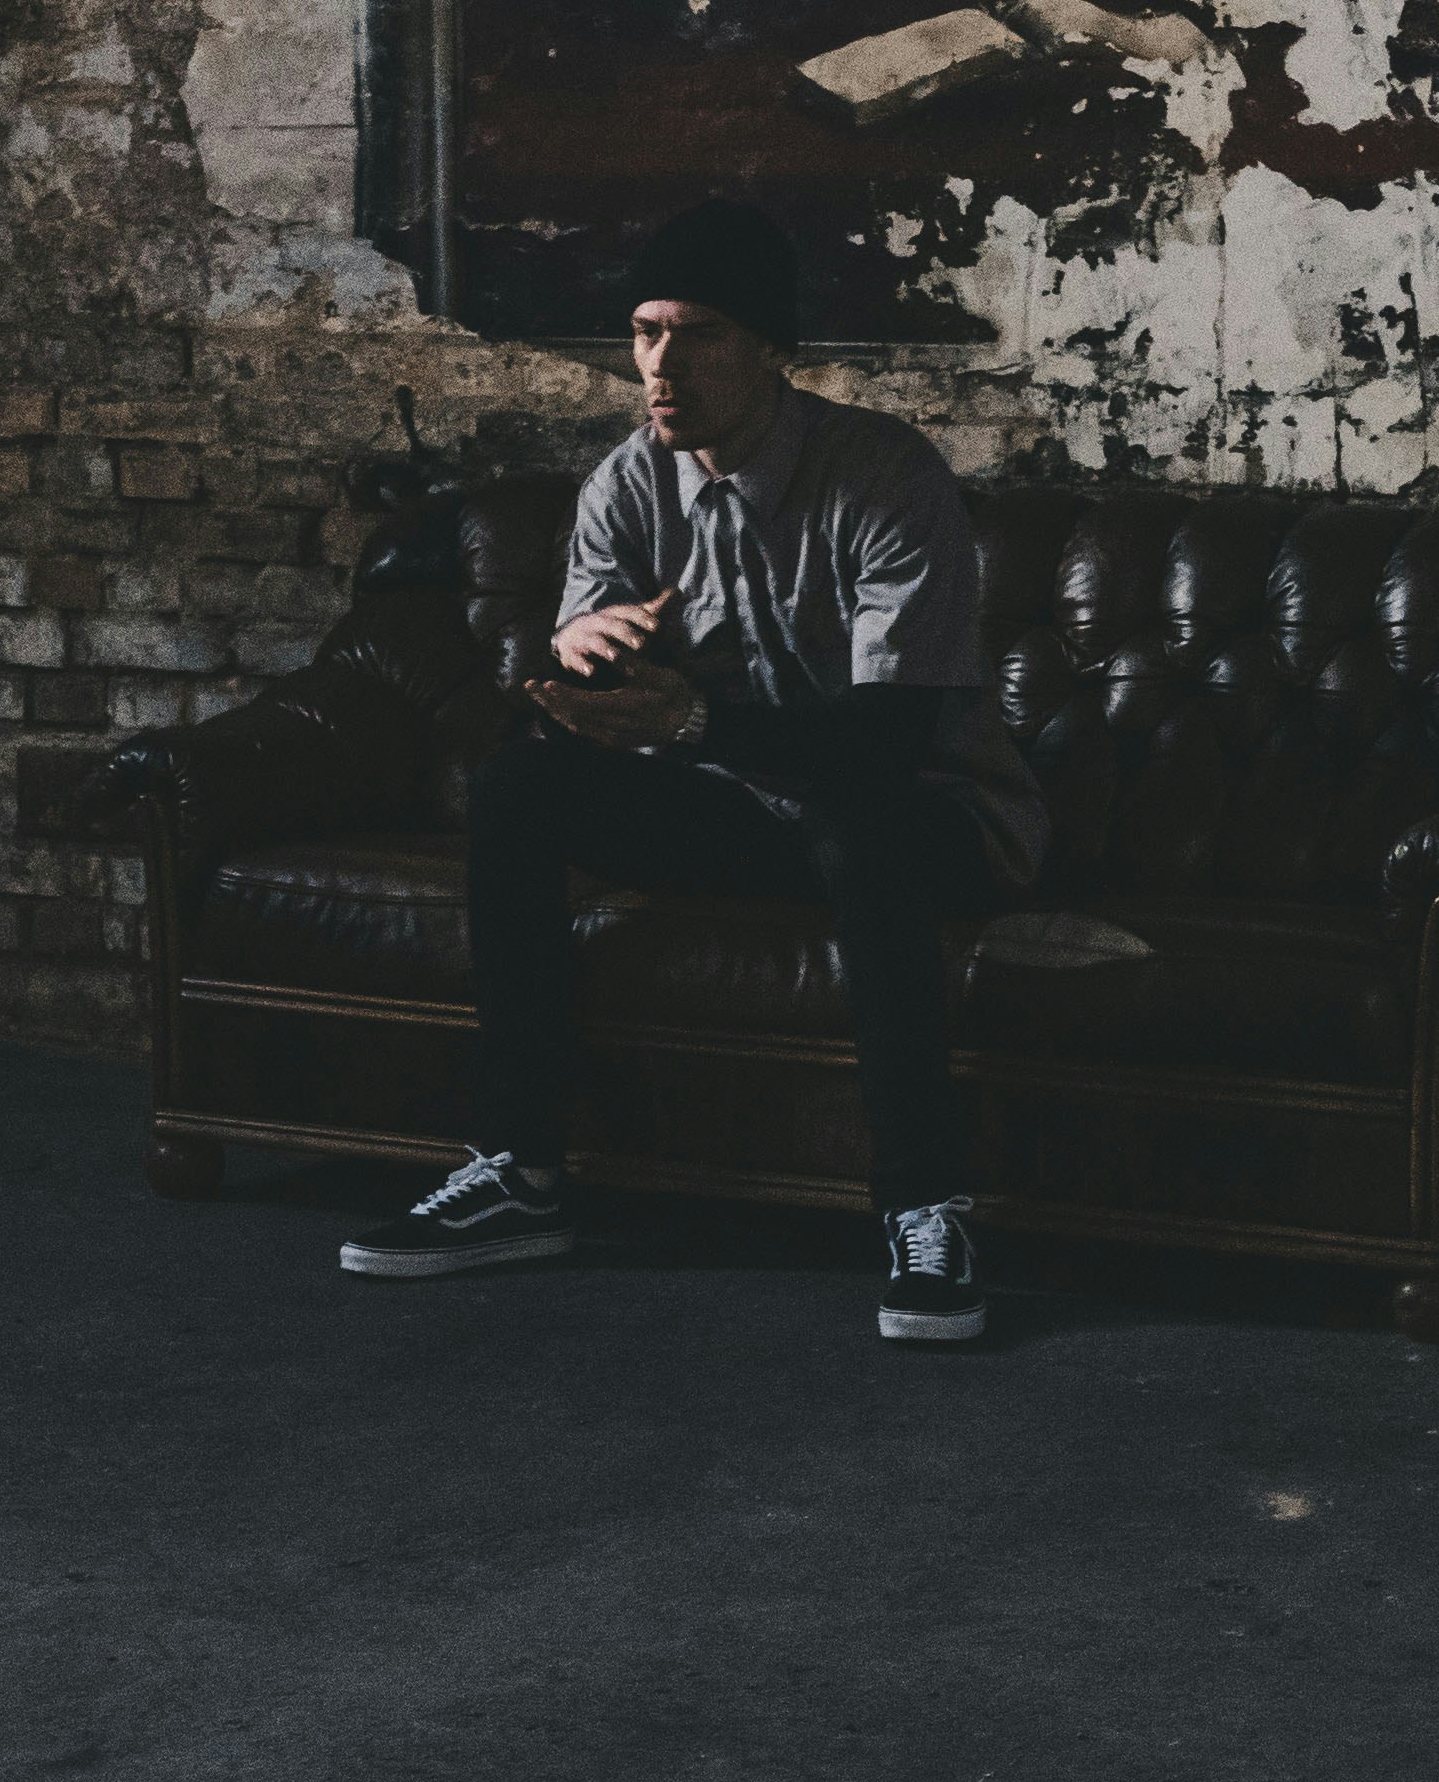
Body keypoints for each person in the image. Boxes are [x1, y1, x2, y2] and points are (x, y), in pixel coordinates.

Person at [340, 200, 1048, 1340]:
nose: (661, 365)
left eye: (701, 333)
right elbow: (593, 673)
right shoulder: (628, 481)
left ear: (774, 349)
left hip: (931, 819)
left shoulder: (884, 477)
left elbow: (888, 749)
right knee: (520, 788)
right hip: (742, 808)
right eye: (646, 332)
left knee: (854, 825)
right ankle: (519, 1171)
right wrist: (581, 657)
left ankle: (927, 1207)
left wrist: (691, 725)